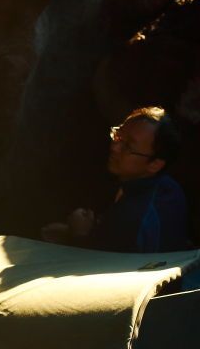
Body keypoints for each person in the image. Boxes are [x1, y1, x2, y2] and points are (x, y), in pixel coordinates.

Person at [41, 106, 190, 253]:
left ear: (155, 164)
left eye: (128, 146)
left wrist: (80, 235)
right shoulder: (167, 186)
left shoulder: (134, 218)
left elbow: (101, 268)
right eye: (118, 136)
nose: (115, 147)